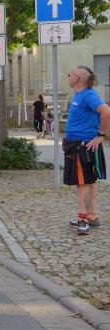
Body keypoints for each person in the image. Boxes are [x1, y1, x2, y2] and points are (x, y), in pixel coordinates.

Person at [62, 66, 110, 235]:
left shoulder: (89, 95)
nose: (68, 77)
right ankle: (92, 216)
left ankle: (83, 220)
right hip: (78, 144)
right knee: (89, 182)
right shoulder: (81, 95)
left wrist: (101, 135)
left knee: (82, 183)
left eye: (70, 74)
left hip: (82, 146)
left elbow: (106, 111)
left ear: (76, 78)